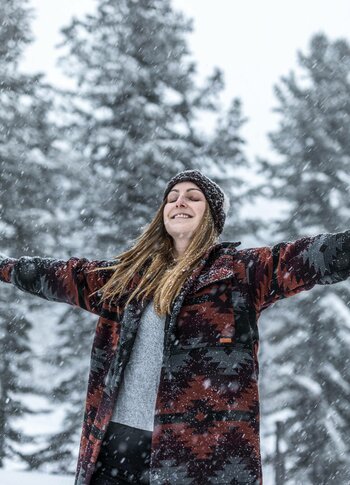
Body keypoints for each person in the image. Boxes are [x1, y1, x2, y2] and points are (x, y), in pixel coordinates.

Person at [1, 169, 350, 485]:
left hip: (197, 459)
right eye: (172, 197)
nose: (179, 201)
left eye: (193, 197)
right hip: (114, 451)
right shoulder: (127, 279)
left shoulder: (240, 273)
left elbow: (310, 257)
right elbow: (58, 274)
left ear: (211, 217)